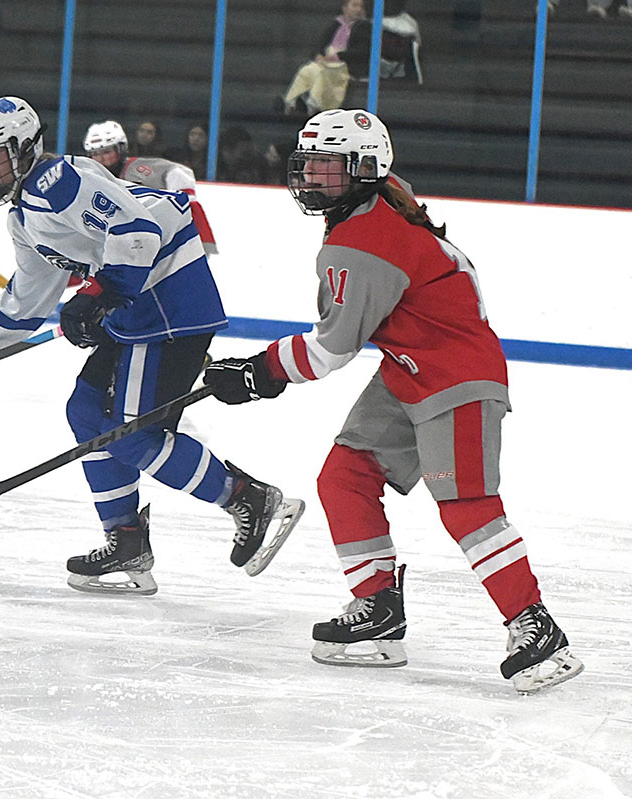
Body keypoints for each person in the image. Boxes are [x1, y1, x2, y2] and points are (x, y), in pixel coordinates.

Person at [202, 109, 584, 695]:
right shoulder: (380, 201)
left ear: (365, 169)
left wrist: (258, 373)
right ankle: (377, 608)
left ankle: (537, 629)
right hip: (409, 368)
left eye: (329, 167)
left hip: (455, 376)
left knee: (467, 505)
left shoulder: (362, 241)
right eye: (308, 164)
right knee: (345, 476)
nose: (311, 178)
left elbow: (331, 349)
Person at [0, 96, 303, 596]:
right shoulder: (24, 214)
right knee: (86, 412)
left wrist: (100, 292)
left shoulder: (58, 183)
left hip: (168, 305)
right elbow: (29, 296)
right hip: (135, 310)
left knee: (131, 435)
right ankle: (126, 539)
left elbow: (138, 231)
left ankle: (247, 497)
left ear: (24, 147)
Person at [83, 119, 218, 255]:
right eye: (95, 154)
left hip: (158, 244)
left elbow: (180, 176)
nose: (101, 159)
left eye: (106, 152)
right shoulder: (90, 178)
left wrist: (184, 199)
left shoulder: (143, 169)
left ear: (121, 148)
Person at [276, 0, 367, 118]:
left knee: (322, 72)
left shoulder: (364, 27)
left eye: (360, 6)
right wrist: (318, 55)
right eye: (354, 5)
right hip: (327, 61)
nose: (358, 9)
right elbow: (320, 44)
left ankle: (314, 104)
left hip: (346, 65)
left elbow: (362, 51)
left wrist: (338, 56)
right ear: (344, 8)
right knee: (307, 70)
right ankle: (290, 101)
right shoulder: (336, 24)